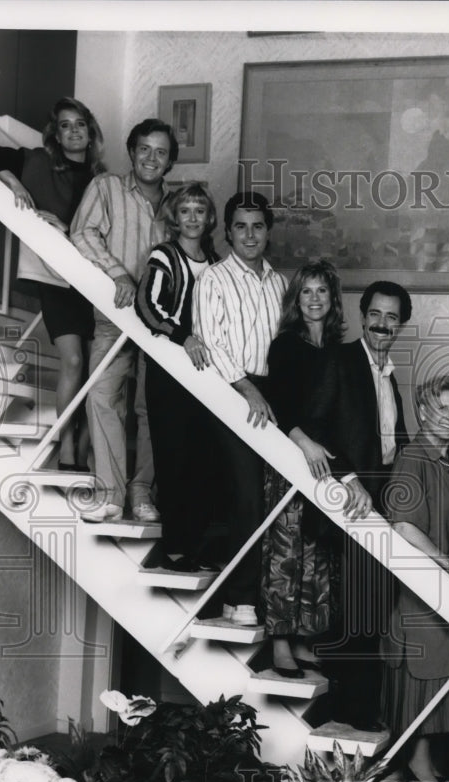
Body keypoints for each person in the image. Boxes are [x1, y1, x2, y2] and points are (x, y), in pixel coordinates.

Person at [0, 97, 106, 472]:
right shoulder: (37, 162)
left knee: (98, 373)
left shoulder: (103, 179)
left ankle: (87, 449)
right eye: (65, 125)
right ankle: (67, 447)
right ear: (56, 133)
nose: (73, 131)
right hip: (55, 276)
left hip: (93, 282)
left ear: (90, 132)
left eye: (79, 124)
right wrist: (13, 184)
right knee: (72, 361)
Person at [310, 280, 411, 730]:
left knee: (374, 610)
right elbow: (314, 426)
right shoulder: (340, 361)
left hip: (384, 505)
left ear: (401, 325)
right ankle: (351, 713)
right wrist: (349, 478)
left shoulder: (392, 377)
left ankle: (364, 711)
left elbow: (397, 446)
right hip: (349, 504)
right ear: (362, 314)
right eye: (376, 314)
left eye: (392, 317)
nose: (383, 324)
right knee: (355, 611)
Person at [71, 118, 179, 523]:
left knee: (151, 407)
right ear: (132, 152)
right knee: (102, 396)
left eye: (161, 152)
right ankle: (110, 493)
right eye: (144, 149)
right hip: (113, 315)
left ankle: (141, 493)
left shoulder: (174, 205)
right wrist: (119, 273)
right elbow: (82, 233)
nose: (151, 158)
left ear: (169, 162)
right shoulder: (106, 187)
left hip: (159, 327)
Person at [191, 191, 287, 626]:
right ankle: (240, 598)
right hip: (234, 391)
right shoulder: (213, 278)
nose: (250, 235)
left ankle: (258, 598)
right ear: (227, 232)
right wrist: (248, 390)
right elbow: (212, 343)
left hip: (275, 393)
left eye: (258, 226)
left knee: (273, 499)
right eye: (241, 226)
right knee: (247, 496)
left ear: (268, 232)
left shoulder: (280, 282)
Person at [382, 374, 449, 782]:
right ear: (423, 411)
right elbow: (403, 527)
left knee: (446, 668)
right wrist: (446, 563)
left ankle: (426, 756)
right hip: (420, 584)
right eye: (442, 409)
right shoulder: (411, 458)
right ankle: (415, 759)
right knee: (426, 667)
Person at [259, 260, 345, 676]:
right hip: (292, 454)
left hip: (324, 460)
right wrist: (306, 444)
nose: (314, 299)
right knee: (286, 551)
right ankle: (278, 644)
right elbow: (281, 404)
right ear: (297, 299)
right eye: (306, 291)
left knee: (317, 551)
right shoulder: (286, 345)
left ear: (332, 300)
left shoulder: (334, 348)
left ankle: (302, 639)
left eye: (322, 292)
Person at [135, 182, 220, 570]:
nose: (192, 219)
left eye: (199, 211)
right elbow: (146, 306)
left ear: (209, 218)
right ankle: (174, 549)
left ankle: (196, 546)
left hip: (205, 378)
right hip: (168, 374)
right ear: (175, 217)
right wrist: (183, 337)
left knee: (203, 461)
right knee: (173, 459)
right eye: (185, 211)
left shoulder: (217, 262)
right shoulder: (164, 255)